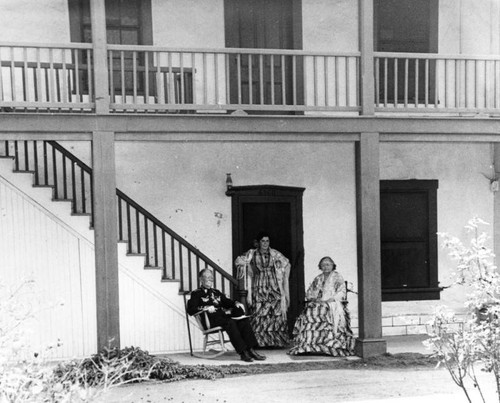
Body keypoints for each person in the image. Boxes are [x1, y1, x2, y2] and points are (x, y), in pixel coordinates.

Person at [187, 268, 266, 362]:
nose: (210, 279)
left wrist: (236, 303)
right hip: (210, 320)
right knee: (230, 322)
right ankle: (243, 352)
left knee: (243, 320)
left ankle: (251, 350)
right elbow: (191, 309)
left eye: (211, 277)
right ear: (201, 279)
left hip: (222, 317)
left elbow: (227, 302)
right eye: (207, 277)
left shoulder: (216, 292)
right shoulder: (196, 293)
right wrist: (205, 308)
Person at [288, 256, 355, 356]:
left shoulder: (337, 277)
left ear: (333, 266)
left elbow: (342, 291)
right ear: (320, 267)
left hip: (332, 303)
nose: (325, 267)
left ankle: (330, 346)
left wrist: (331, 299)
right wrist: (314, 299)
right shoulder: (318, 278)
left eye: (328, 264)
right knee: (310, 310)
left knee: (324, 309)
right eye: (323, 265)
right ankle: (310, 345)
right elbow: (309, 292)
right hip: (320, 303)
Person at [235, 231, 291, 347]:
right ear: (258, 242)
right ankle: (259, 342)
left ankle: (277, 342)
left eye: (267, 241)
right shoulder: (251, 253)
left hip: (274, 285)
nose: (265, 243)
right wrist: (247, 266)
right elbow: (239, 261)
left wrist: (282, 274)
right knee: (259, 311)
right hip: (259, 284)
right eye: (263, 241)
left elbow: (287, 263)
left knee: (275, 312)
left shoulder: (275, 253)